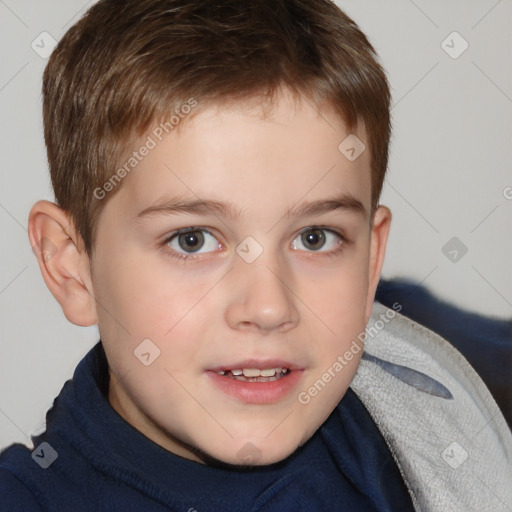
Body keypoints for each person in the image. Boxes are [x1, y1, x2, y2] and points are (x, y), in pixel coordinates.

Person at [1, 1, 511, 510]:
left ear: (372, 259)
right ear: (72, 266)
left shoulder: (443, 433)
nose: (269, 308)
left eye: (315, 237)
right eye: (192, 240)